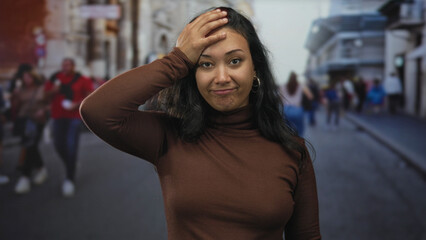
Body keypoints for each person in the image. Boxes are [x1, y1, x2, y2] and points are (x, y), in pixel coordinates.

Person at [80, 7, 321, 239]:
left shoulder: (293, 151)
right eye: (206, 64)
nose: (222, 77)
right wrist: (177, 60)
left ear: (254, 68)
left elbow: (307, 236)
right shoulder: (170, 136)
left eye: (235, 61)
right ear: (192, 74)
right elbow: (98, 111)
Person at [44, 58, 93, 197]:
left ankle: (69, 178)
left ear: (73, 66)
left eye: (68, 64)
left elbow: (90, 95)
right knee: (58, 145)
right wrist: (54, 90)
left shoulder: (81, 79)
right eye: (63, 64)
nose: (65, 67)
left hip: (74, 118)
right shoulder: (54, 78)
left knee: (71, 146)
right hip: (57, 116)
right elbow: (45, 95)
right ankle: (70, 163)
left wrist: (76, 104)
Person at [12, 70, 49, 194]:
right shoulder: (20, 91)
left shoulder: (42, 89)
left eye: (29, 77)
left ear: (34, 78)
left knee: (31, 145)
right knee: (30, 146)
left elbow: (49, 104)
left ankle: (25, 176)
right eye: (24, 77)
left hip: (37, 121)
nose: (27, 79)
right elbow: (16, 107)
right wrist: (15, 96)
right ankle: (40, 168)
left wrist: (43, 110)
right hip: (24, 120)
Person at [280, 72, 313, 136]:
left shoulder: (283, 86)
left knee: (286, 132)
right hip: (297, 110)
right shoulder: (301, 86)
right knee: (299, 133)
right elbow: (310, 96)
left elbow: (280, 99)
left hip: (286, 110)